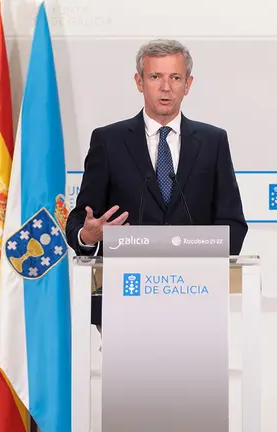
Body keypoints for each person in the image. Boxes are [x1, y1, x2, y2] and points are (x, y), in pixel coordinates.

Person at [65, 39, 248, 329]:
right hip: (126, 298)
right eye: (155, 77)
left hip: (195, 299)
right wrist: (87, 236)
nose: (165, 87)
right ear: (139, 82)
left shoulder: (213, 142)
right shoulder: (109, 141)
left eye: (175, 78)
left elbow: (233, 222)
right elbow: (80, 220)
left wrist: (205, 271)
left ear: (187, 84)